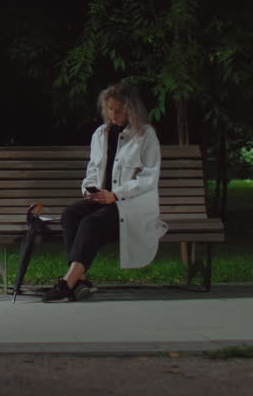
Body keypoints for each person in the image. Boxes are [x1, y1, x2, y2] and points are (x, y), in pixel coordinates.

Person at [42, 82, 168, 302]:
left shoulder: (145, 135)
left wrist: (116, 194)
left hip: (130, 205)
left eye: (118, 110)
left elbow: (149, 177)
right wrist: (88, 189)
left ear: (131, 109)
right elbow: (92, 169)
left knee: (91, 224)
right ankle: (80, 280)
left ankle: (67, 283)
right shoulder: (100, 134)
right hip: (104, 199)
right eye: (109, 109)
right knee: (70, 214)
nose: (113, 114)